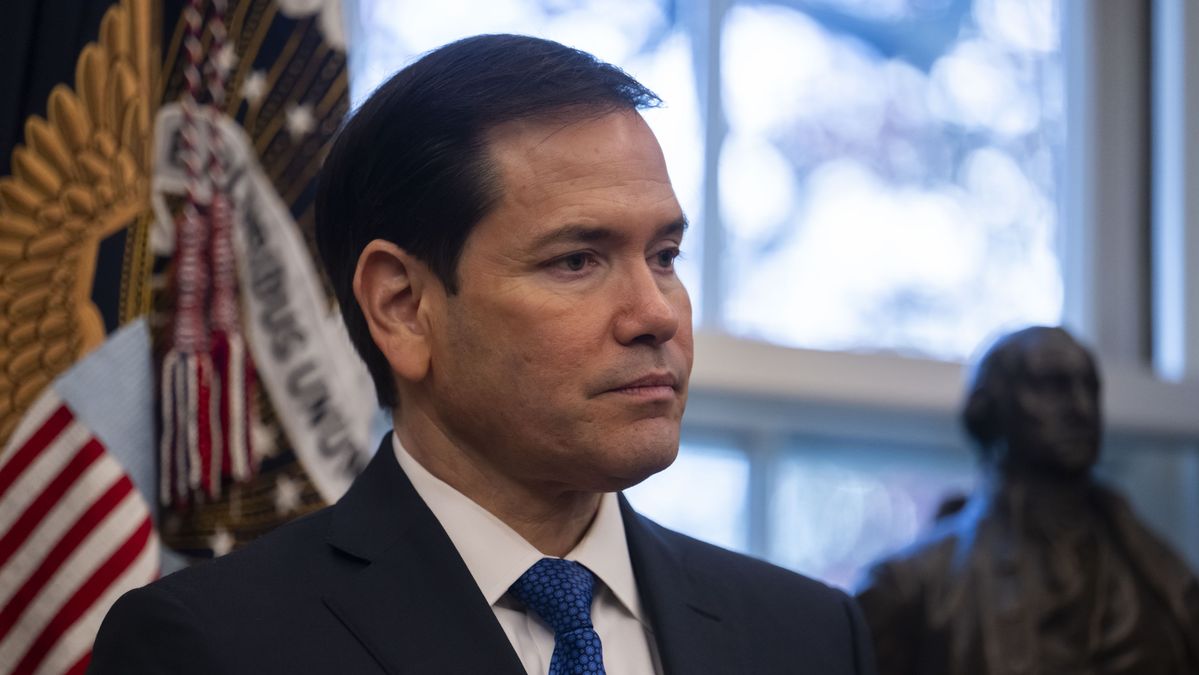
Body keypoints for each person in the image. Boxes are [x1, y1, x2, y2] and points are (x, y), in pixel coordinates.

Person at [89, 34, 875, 674]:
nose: (654, 313)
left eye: (665, 255)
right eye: (577, 260)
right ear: (403, 306)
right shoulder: (215, 646)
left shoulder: (810, 636)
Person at [855, 326, 1199, 675]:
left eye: (1090, 388)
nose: (1081, 409)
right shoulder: (908, 592)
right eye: (1051, 387)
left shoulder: (1166, 581)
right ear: (987, 411)